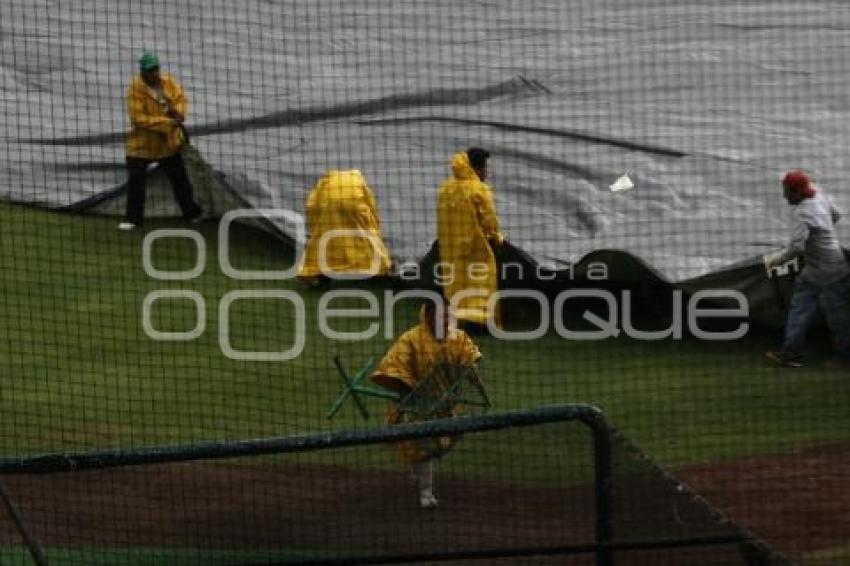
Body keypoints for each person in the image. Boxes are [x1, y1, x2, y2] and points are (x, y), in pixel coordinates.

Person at [370, 299, 482, 509]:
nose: (447, 320)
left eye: (449, 316)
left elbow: (469, 356)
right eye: (442, 316)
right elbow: (393, 366)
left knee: (441, 444)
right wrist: (408, 392)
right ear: (429, 317)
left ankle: (419, 472)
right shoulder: (410, 340)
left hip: (445, 404)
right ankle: (426, 494)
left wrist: (473, 374)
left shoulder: (456, 338)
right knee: (423, 448)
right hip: (417, 405)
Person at [764, 170, 850, 369]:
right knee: (837, 316)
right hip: (835, 266)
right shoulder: (819, 195)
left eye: (785, 190)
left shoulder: (802, 213)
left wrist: (774, 261)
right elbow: (836, 215)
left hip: (820, 271)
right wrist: (823, 233)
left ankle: (791, 354)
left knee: (802, 312)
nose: (783, 194)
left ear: (794, 192)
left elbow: (796, 248)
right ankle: (843, 356)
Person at [119, 52, 202, 231]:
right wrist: (169, 123)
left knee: (180, 180)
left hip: (167, 145)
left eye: (155, 69)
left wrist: (179, 113)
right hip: (141, 146)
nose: (153, 73)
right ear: (142, 71)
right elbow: (138, 119)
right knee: (136, 183)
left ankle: (192, 214)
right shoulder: (135, 89)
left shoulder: (169, 82)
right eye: (149, 70)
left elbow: (181, 100)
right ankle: (133, 219)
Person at [436, 148, 506, 332]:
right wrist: (497, 239)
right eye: (485, 168)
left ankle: (459, 318)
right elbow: (489, 221)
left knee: (456, 285)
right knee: (482, 283)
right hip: (476, 248)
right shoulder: (479, 189)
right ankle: (482, 322)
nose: (487, 172)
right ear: (477, 168)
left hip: (451, 248)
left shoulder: (446, 188)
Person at [297, 169, 391, 284]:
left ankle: (320, 274)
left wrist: (315, 226)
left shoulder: (323, 183)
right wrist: (373, 223)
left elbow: (312, 205)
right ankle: (379, 272)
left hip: (328, 212)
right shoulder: (358, 179)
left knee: (325, 243)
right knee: (365, 238)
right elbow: (370, 203)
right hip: (353, 207)